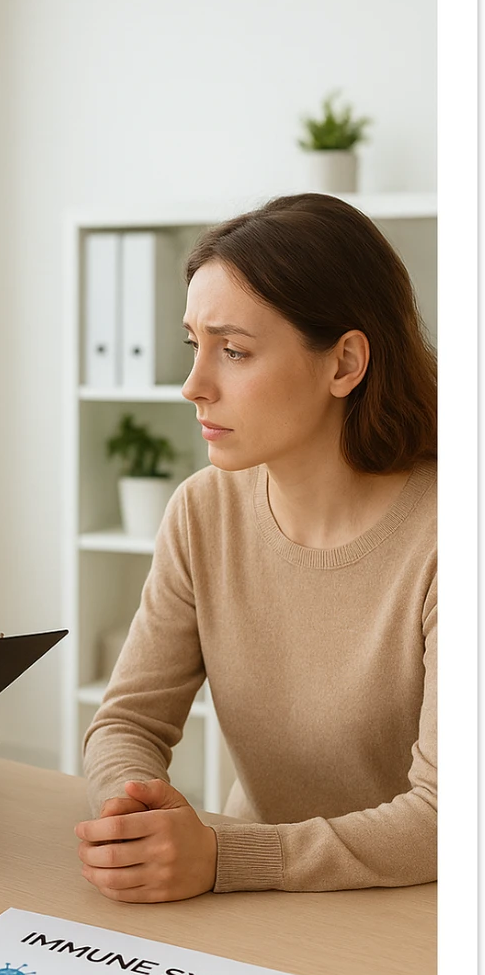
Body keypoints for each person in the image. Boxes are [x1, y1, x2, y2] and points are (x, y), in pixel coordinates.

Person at [77, 192, 437, 904]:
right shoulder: (201, 513)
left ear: (344, 364)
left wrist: (226, 858)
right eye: (194, 345)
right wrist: (135, 814)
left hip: (419, 911)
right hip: (255, 900)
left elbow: (443, 817)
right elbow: (126, 721)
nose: (192, 385)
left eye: (234, 351)